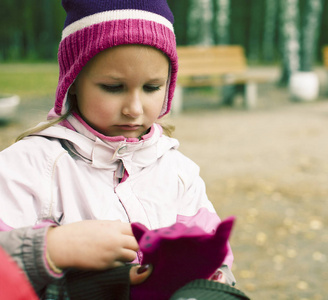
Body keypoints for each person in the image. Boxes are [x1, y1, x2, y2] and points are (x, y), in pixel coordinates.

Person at [0, 0, 246, 299]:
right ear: (72, 82)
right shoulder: (27, 167)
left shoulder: (178, 171)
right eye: (113, 87)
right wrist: (52, 248)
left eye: (152, 87)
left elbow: (213, 255)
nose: (134, 109)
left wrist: (213, 282)